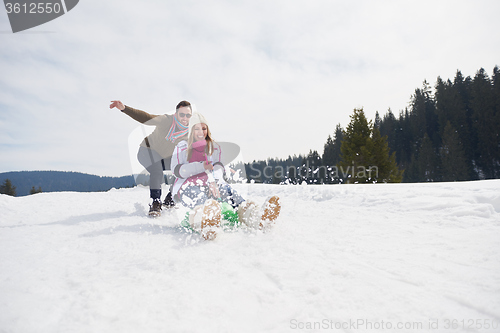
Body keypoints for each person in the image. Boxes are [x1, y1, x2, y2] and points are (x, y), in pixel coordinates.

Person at [170, 113, 281, 239]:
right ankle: (206, 222)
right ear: (191, 131)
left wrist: (215, 181)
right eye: (197, 129)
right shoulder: (182, 147)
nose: (201, 132)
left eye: (204, 128)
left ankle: (256, 217)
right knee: (197, 197)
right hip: (187, 186)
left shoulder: (214, 147)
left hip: (211, 183)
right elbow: (177, 170)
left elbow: (218, 167)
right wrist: (202, 166)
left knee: (228, 192)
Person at [109, 100, 192, 216]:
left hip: (164, 158)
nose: (184, 118)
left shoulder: (187, 133)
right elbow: (147, 118)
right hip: (146, 152)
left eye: (188, 115)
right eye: (182, 114)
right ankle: (155, 202)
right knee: (157, 171)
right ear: (176, 113)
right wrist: (124, 109)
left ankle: (170, 198)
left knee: (185, 168)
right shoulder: (167, 120)